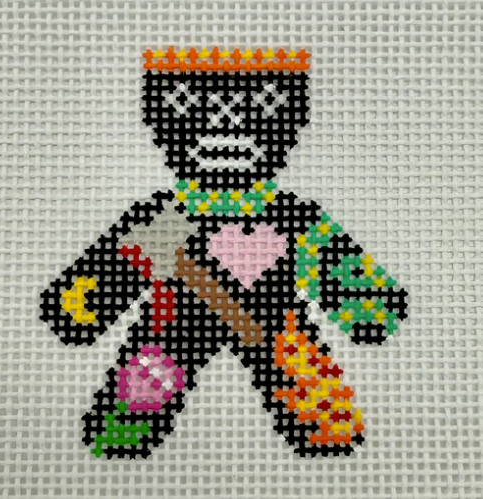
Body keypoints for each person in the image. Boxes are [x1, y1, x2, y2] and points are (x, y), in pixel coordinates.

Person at [40, 47, 408, 459]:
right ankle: (121, 431)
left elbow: (328, 258)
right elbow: (119, 267)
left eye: (256, 106)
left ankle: (326, 427)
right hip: (179, 318)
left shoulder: (285, 216)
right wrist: (79, 304)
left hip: (269, 317)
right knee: (151, 370)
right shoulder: (171, 218)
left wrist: (368, 304)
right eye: (197, 106)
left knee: (296, 364)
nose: (225, 125)